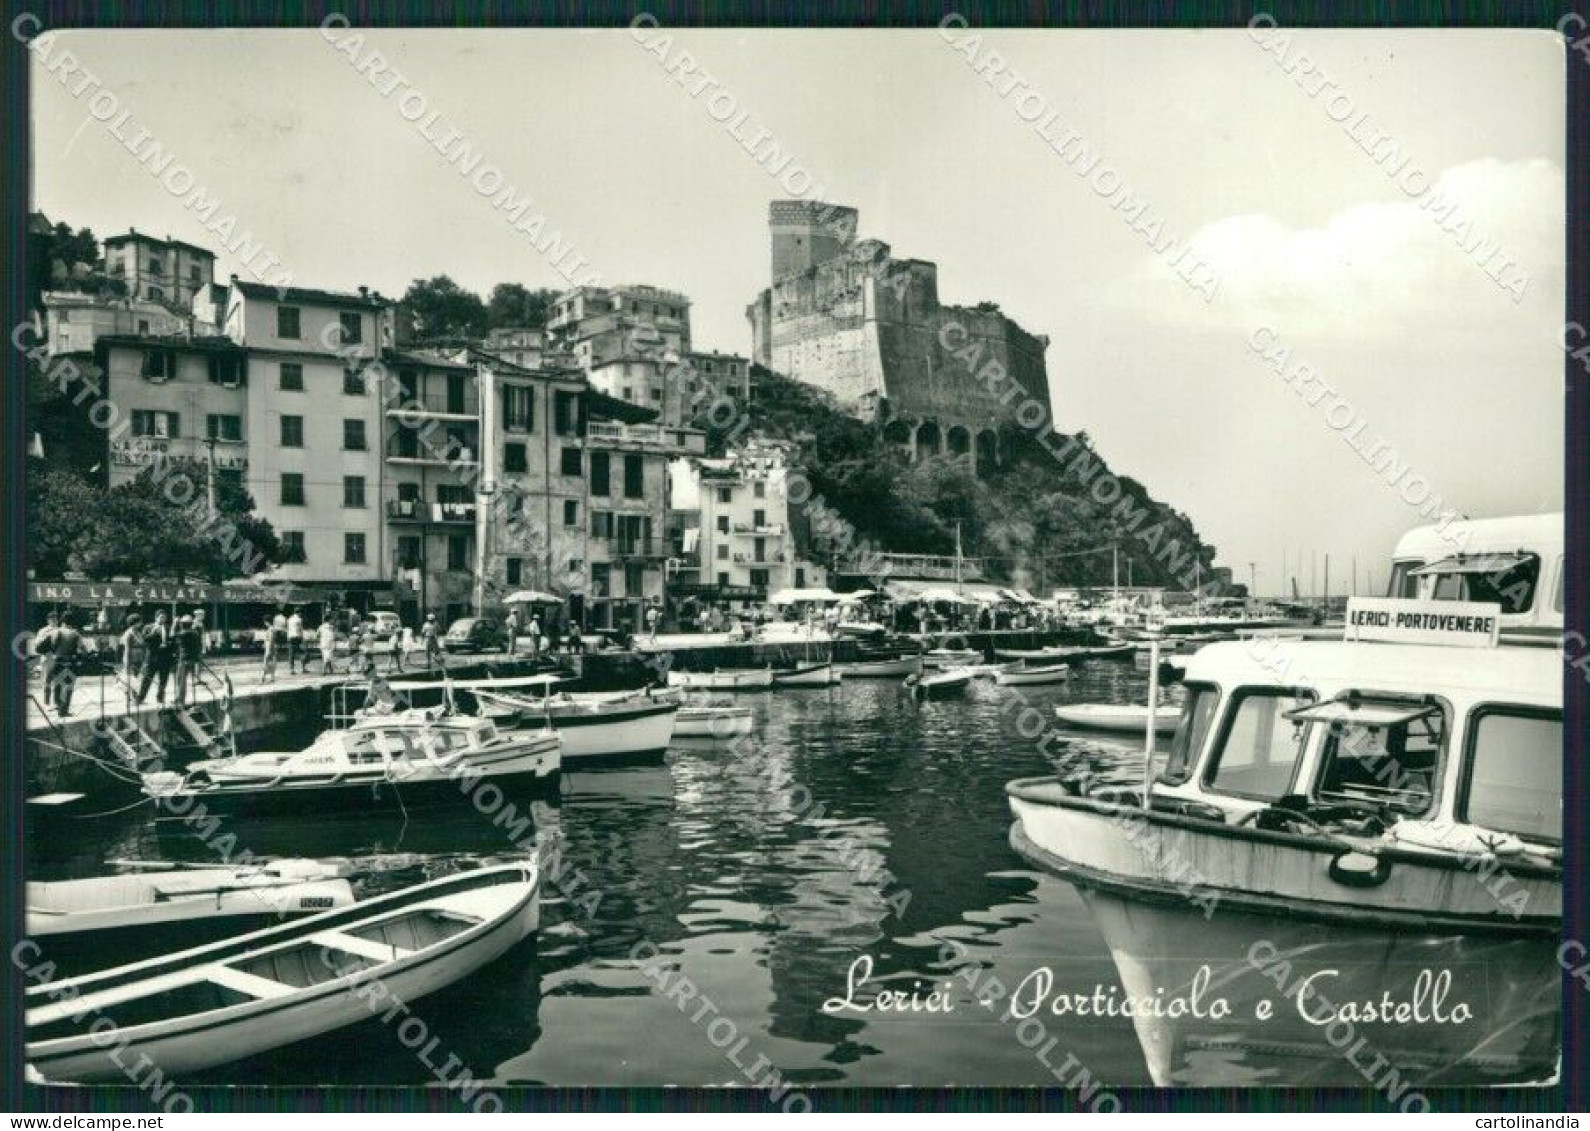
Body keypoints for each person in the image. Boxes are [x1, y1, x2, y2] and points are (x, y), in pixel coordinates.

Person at [135, 611, 173, 706]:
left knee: (163, 679)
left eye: (164, 617)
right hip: (152, 657)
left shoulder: (168, 628)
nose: (162, 619)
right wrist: (153, 632)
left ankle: (160, 697)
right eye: (161, 617)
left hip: (165, 657)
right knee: (147, 678)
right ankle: (140, 698)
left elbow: (173, 640)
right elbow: (144, 640)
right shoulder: (148, 627)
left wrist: (169, 645)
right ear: (156, 617)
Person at [49, 612, 82, 717]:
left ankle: (57, 706)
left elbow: (53, 645)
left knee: (58, 685)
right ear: (72, 622)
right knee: (68, 687)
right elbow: (82, 648)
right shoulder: (75, 634)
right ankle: (63, 711)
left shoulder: (56, 631)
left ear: (62, 621)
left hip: (57, 661)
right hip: (70, 662)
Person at [172, 615, 202, 706]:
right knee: (182, 680)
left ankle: (180, 700)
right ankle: (179, 699)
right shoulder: (195, 633)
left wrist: (174, 624)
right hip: (192, 659)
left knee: (180, 681)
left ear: (183, 624)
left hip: (184, 659)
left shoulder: (183, 634)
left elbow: (172, 635)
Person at [34, 612, 59, 693]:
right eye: (52, 619)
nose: (54, 621)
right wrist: (46, 637)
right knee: (46, 681)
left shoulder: (60, 630)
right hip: (47, 656)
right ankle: (46, 702)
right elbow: (37, 645)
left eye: (55, 619)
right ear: (48, 620)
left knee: (58, 682)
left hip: (58, 657)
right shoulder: (43, 631)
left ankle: (56, 702)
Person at [119, 614, 145, 692]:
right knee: (131, 677)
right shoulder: (129, 634)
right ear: (134, 622)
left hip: (138, 656)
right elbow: (127, 649)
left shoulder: (137, 632)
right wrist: (127, 661)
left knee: (136, 677)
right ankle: (132, 695)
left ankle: (133, 694)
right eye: (139, 621)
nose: (141, 623)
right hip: (131, 656)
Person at [286, 607, 305, 673]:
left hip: (291, 637)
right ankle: (303, 668)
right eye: (300, 613)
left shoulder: (289, 619)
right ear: (299, 612)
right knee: (301, 652)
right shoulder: (300, 619)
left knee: (291, 653)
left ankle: (292, 669)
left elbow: (288, 629)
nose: (301, 614)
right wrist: (302, 638)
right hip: (297, 637)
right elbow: (301, 630)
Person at [261, 615, 279, 683]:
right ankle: (272, 677)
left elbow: (271, 639)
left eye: (265, 622)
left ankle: (264, 677)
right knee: (272, 662)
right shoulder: (272, 628)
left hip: (270, 647)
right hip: (272, 646)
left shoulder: (271, 629)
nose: (264, 623)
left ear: (267, 622)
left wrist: (269, 648)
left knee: (266, 662)